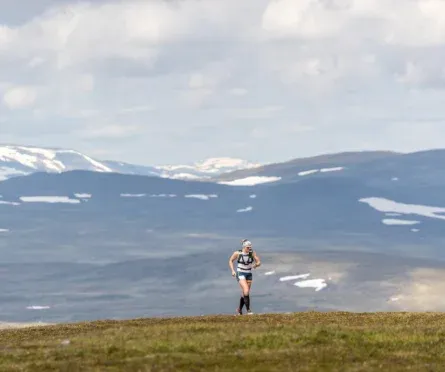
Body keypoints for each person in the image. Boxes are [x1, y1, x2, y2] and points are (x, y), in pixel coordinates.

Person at [229, 239, 261, 315]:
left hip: (249, 274)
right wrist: (233, 271)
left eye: (250, 247)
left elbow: (258, 262)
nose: (249, 249)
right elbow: (230, 261)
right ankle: (248, 310)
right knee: (246, 290)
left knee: (245, 293)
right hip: (240, 273)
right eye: (247, 247)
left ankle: (239, 309)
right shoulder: (237, 253)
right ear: (244, 247)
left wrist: (256, 265)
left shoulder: (251, 253)